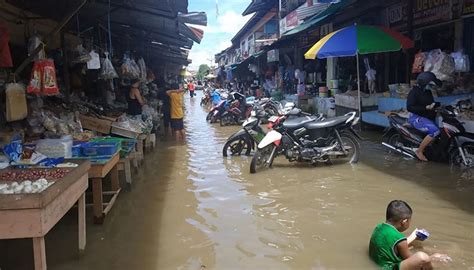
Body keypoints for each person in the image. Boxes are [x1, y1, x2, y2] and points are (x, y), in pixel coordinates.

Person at [369, 200, 446, 270]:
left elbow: (393, 243)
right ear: (404, 222)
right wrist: (431, 258)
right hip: (390, 268)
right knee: (423, 258)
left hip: (378, 263)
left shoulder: (379, 227)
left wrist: (413, 237)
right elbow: (410, 259)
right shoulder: (400, 239)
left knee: (413, 246)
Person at [407, 72, 442, 161]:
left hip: (426, 116)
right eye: (430, 84)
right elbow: (410, 107)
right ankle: (419, 151)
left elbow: (431, 103)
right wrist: (425, 107)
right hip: (415, 117)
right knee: (435, 131)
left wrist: (437, 106)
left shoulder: (427, 92)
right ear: (424, 83)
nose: (431, 86)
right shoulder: (414, 92)